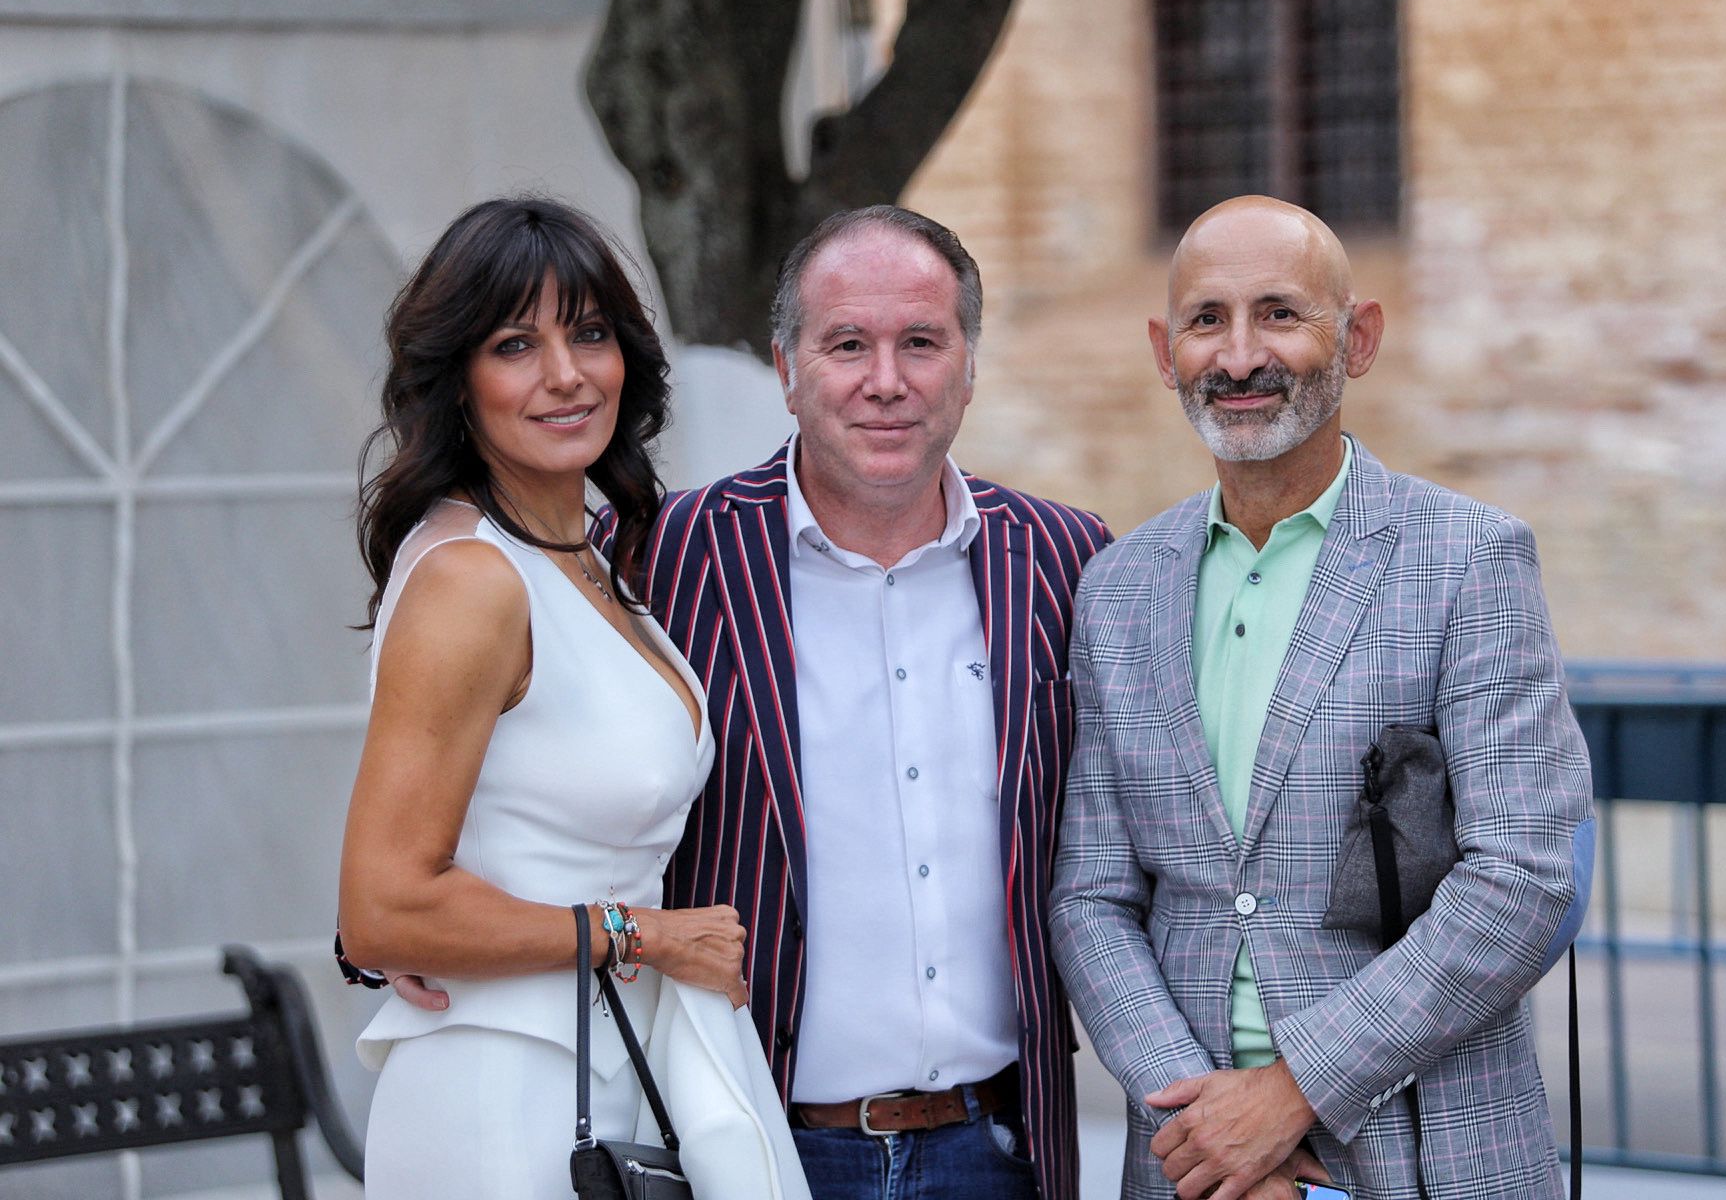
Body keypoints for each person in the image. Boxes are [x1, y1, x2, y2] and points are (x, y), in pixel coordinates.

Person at [356, 205, 1109, 1200]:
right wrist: (392, 936)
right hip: (747, 1133)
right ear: (786, 367)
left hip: (998, 1146)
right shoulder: (664, 554)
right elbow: (424, 836)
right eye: (847, 343)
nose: (886, 380)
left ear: (970, 364)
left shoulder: (1068, 561)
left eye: (922, 342)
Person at [1048, 196, 1592, 1200]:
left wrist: (1292, 1091)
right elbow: (1091, 897)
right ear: (1166, 352)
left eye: (1280, 314)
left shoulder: (1469, 559)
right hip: (1192, 1166)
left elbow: (1523, 877)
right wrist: (1203, 1131)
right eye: (1207, 320)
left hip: (1428, 1153)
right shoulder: (1118, 588)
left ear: (1359, 338)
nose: (1239, 355)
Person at [335, 197, 808, 1198]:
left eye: (589, 333)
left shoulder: (585, 558)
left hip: (603, 1076)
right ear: (457, 381)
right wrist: (650, 933)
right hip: (503, 1098)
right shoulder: (473, 579)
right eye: (515, 345)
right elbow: (382, 907)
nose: (566, 374)